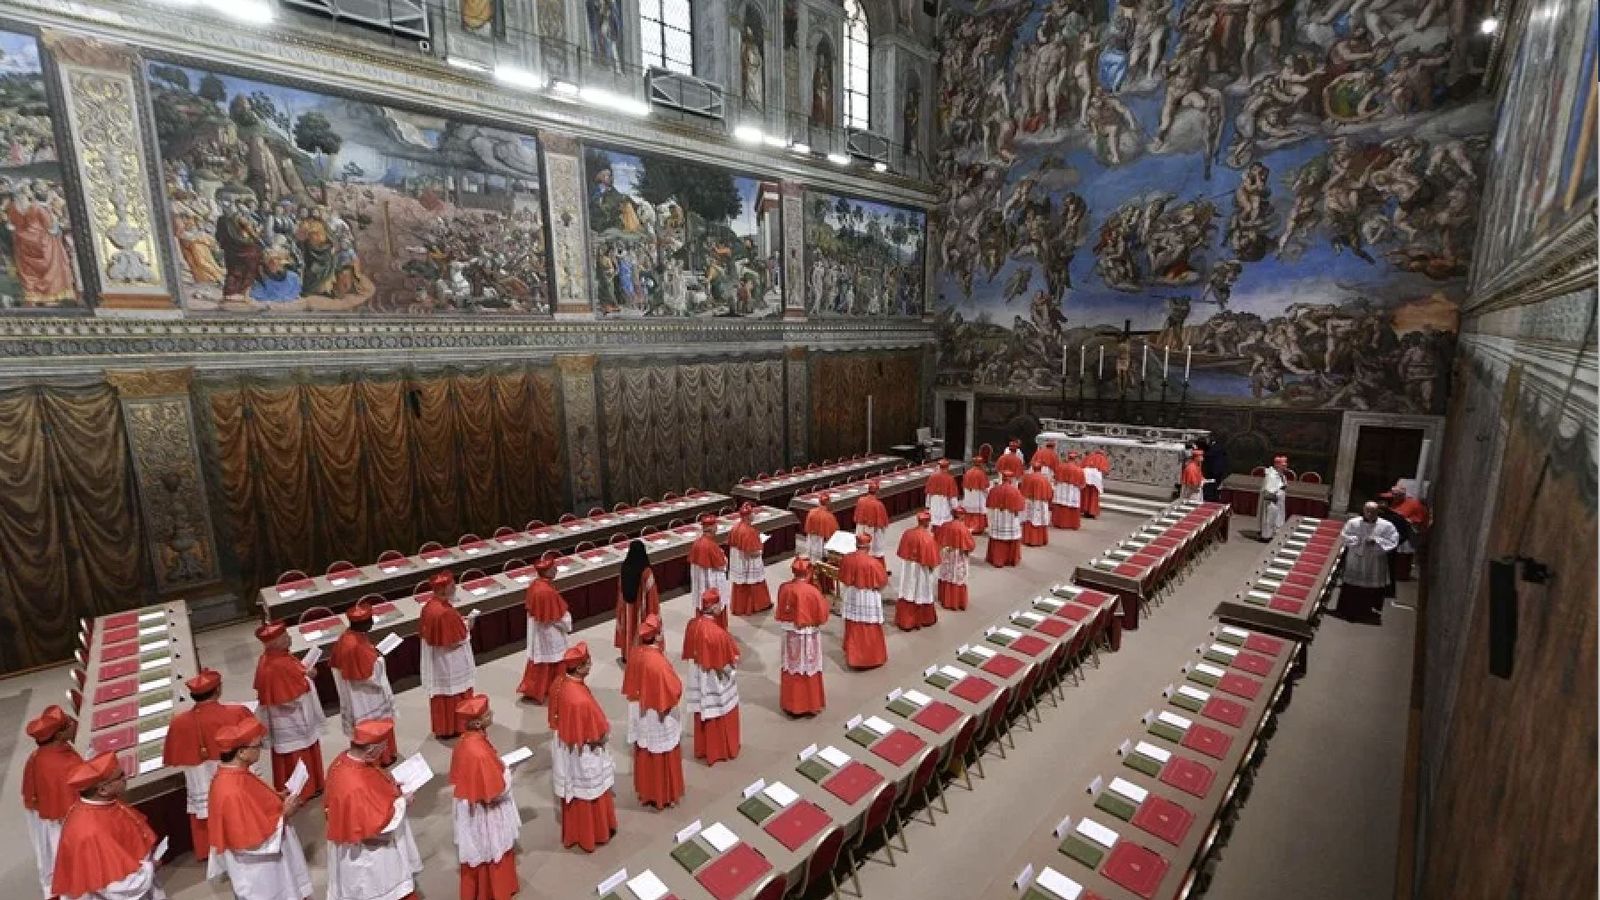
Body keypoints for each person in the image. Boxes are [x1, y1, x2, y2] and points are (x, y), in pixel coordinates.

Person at [205, 717, 313, 900]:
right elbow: (250, 840)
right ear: (241, 752)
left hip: (268, 866)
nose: (260, 750)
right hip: (260, 873)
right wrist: (285, 814)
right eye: (257, 746)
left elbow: (255, 803)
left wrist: (278, 797)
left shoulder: (234, 773)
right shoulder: (232, 790)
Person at [161, 668, 256, 860]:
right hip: (230, 769)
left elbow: (174, 755)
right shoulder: (236, 712)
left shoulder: (178, 722)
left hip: (199, 773)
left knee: (204, 808)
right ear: (218, 690)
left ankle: (208, 849)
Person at [323, 719, 423, 900]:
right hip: (367, 856)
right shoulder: (354, 785)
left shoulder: (342, 760)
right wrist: (403, 802)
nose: (384, 751)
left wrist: (392, 786)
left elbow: (372, 787)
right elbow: (375, 829)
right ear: (370, 750)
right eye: (382, 747)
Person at [51, 753, 163, 900]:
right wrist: (151, 868)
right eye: (120, 776)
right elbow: (116, 885)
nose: (125, 778)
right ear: (102, 790)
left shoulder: (104, 803)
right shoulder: (91, 831)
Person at [548, 643, 617, 852]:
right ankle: (593, 833)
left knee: (575, 789)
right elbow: (596, 733)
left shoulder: (560, 682)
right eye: (588, 663)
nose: (591, 665)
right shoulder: (579, 700)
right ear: (578, 668)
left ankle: (576, 832)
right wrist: (602, 736)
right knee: (588, 790)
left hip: (566, 742)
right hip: (582, 748)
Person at [450, 695, 520, 900]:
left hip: (473, 801)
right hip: (483, 810)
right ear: (478, 721)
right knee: (489, 847)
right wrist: (507, 773)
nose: (492, 715)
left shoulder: (467, 739)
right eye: (488, 713)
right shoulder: (477, 751)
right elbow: (495, 792)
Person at [252, 622, 326, 799]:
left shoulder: (276, 657)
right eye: (285, 637)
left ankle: (315, 784)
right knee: (298, 755)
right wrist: (308, 678)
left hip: (289, 719)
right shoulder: (276, 664)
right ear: (275, 642)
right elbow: (290, 698)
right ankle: (303, 791)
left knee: (307, 748)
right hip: (291, 720)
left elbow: (293, 676)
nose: (290, 638)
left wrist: (303, 673)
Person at [622, 615, 684, 809]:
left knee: (646, 749)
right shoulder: (658, 662)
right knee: (661, 753)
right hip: (658, 715)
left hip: (641, 713)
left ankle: (647, 791)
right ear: (657, 636)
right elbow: (673, 689)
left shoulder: (635, 653)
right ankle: (663, 794)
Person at [22, 705, 81, 900]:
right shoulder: (61, 765)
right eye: (69, 724)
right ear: (58, 735)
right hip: (61, 821)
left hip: (46, 814)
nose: (74, 724)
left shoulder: (39, 755)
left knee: (49, 855)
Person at [330, 603, 398, 767]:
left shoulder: (347, 637)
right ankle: (381, 757)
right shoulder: (354, 645)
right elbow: (371, 676)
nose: (372, 623)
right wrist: (380, 659)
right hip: (365, 696)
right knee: (374, 725)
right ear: (363, 623)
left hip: (355, 694)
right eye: (370, 620)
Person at [419, 571, 477, 739]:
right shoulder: (444, 612)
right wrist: (468, 626)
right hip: (450, 660)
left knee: (444, 694)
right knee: (455, 691)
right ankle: (458, 725)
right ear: (443, 590)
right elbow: (455, 640)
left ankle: (444, 727)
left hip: (438, 660)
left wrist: (460, 623)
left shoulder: (429, 606)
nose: (455, 588)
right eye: (452, 586)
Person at [687, 591, 741, 765]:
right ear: (712, 607)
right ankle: (721, 749)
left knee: (703, 710)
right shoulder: (718, 634)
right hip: (714, 679)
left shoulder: (692, 625)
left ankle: (704, 748)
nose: (721, 607)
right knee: (720, 709)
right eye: (719, 604)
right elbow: (728, 661)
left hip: (698, 675)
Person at [776, 559, 829, 715]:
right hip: (809, 634)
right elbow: (822, 615)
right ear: (808, 572)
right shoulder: (812, 591)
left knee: (792, 665)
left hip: (790, 633)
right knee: (809, 665)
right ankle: (810, 703)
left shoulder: (784, 588)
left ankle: (792, 703)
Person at [517, 557, 571, 704]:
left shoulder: (535, 585)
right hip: (549, 630)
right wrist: (567, 623)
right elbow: (555, 617)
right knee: (553, 659)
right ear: (547, 571)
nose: (557, 570)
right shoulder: (546, 591)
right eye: (554, 568)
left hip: (539, 629)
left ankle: (537, 688)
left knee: (541, 660)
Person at [1335, 502, 1399, 622]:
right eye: (1367, 511)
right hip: (1356, 559)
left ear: (1378, 512)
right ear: (1363, 510)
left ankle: (1368, 613)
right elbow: (1344, 536)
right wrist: (1359, 540)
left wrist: (1376, 541)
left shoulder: (1387, 526)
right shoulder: (1353, 522)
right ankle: (1346, 610)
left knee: (1371, 589)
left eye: (1373, 512)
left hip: (1375, 561)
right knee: (1351, 586)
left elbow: (1393, 540)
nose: (1369, 514)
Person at [839, 532, 890, 669]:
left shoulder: (847, 559)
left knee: (853, 624)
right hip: (868, 597)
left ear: (856, 544)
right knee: (869, 626)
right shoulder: (873, 563)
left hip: (851, 595)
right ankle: (871, 657)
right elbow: (882, 581)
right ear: (868, 546)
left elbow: (842, 577)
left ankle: (853, 655)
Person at [613, 539, 660, 662]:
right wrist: (653, 613)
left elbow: (620, 590)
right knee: (640, 630)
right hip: (641, 610)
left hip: (627, 608)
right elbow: (652, 594)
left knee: (628, 629)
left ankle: (627, 655)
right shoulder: (646, 572)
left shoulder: (624, 567)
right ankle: (641, 657)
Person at [895, 509, 941, 630]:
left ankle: (906, 620)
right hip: (922, 570)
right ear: (927, 523)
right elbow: (932, 560)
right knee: (920, 591)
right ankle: (923, 619)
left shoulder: (907, 533)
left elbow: (902, 552)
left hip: (908, 568)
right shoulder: (928, 537)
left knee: (908, 590)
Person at [726, 504, 772, 615]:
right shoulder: (748, 531)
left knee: (741, 585)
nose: (754, 515)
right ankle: (757, 606)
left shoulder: (735, 527)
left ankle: (739, 607)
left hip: (739, 561)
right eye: (752, 513)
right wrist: (760, 547)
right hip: (748, 562)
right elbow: (752, 552)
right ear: (747, 516)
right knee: (754, 583)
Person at [687, 515, 730, 629]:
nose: (717, 527)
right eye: (716, 525)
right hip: (712, 582)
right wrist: (723, 556)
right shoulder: (711, 545)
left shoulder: (697, 543)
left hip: (700, 583)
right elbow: (721, 565)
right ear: (711, 528)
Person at [985, 472, 1026, 567]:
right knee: (1010, 536)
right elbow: (1020, 508)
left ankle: (997, 559)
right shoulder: (1015, 491)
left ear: (1002, 478)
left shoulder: (994, 490)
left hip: (998, 518)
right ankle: (1010, 560)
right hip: (1010, 519)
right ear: (1011, 479)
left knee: (998, 537)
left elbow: (989, 506)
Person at [1020, 462, 1053, 546]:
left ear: (1033, 468)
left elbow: (1022, 490)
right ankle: (1039, 540)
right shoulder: (1044, 479)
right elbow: (1049, 493)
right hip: (1041, 503)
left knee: (1029, 519)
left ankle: (1028, 539)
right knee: (1040, 520)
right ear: (1041, 468)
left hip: (1029, 501)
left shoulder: (1027, 477)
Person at [854, 481, 891, 558]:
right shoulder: (878, 505)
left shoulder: (860, 500)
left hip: (861, 529)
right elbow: (882, 525)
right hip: (873, 532)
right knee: (872, 552)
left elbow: (857, 517)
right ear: (877, 491)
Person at [1258, 454, 1289, 541]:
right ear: (1277, 465)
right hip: (1272, 501)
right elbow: (1268, 490)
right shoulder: (1271, 475)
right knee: (1270, 518)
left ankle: (1275, 533)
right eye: (1283, 464)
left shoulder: (1281, 474)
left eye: (1286, 464)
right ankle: (1266, 536)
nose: (1286, 466)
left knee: (1278, 517)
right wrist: (1276, 494)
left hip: (1279, 501)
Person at [802, 492, 840, 561]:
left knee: (813, 559)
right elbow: (834, 533)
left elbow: (807, 528)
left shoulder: (811, 512)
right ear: (827, 503)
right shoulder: (829, 516)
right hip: (822, 544)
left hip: (812, 540)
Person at [1053, 450, 1086, 529]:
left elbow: (1055, 477)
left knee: (1061, 504)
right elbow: (1082, 483)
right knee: (1071, 505)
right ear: (1075, 459)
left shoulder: (1061, 466)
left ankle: (1059, 522)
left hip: (1062, 488)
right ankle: (1072, 524)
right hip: (1073, 489)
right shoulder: (1079, 470)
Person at [961, 454, 991, 534]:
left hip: (968, 495)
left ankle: (968, 526)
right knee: (978, 512)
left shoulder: (968, 472)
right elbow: (985, 487)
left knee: (969, 510)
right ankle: (976, 528)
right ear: (980, 463)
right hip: (978, 495)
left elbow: (964, 485)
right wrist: (988, 495)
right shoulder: (981, 473)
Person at [925, 459, 960, 526]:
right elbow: (952, 495)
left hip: (934, 502)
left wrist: (927, 505)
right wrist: (955, 507)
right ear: (947, 467)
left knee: (935, 521)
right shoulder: (950, 478)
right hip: (944, 502)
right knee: (944, 523)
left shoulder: (932, 476)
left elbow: (928, 493)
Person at [1200, 436, 1230, 502]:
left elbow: (1208, 457)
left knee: (1211, 489)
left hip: (1214, 472)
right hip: (1218, 471)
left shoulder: (1214, 449)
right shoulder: (1219, 447)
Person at [1082, 449, 1110, 517]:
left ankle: (1085, 511)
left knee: (1086, 494)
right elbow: (1105, 469)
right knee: (1094, 495)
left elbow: (1082, 465)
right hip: (1095, 476)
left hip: (1086, 474)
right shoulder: (1102, 458)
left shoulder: (1090, 456)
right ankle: (1092, 512)